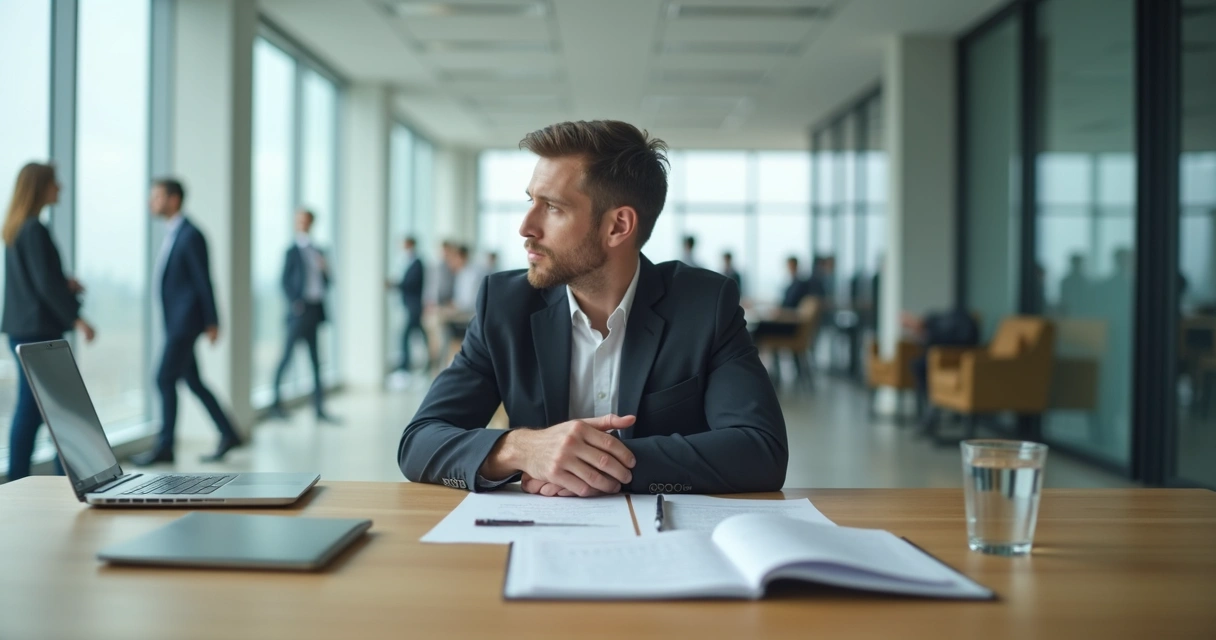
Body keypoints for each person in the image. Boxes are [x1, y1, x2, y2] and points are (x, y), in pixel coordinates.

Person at [399, 120, 787, 496]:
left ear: (618, 225)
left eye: (552, 207)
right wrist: (523, 450)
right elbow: (419, 442)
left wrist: (587, 464)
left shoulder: (705, 305)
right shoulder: (503, 304)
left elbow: (760, 452)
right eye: (530, 201)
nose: (525, 227)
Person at [133, 178, 242, 465]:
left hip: (185, 323)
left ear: (174, 199)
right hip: (177, 322)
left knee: (163, 377)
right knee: (192, 380)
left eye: (156, 197)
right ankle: (228, 432)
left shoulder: (191, 234)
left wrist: (213, 320)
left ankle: (165, 446)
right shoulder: (174, 233)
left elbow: (203, 280)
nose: (151, 203)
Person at [2, 162, 96, 480]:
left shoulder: (19, 227)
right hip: (38, 330)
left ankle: (61, 477)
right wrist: (77, 317)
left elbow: (38, 280)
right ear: (40, 187)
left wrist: (63, 283)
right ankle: (54, 479)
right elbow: (43, 284)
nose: (60, 188)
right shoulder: (33, 229)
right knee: (48, 408)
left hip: (23, 328)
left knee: (44, 408)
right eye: (55, 182)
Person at [268, 209, 336, 423]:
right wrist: (295, 303)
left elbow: (327, 283)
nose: (303, 224)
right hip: (299, 310)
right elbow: (284, 281)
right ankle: (275, 405)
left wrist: (325, 269)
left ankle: (318, 408)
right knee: (286, 357)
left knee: (316, 361)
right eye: (300, 221)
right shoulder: (291, 251)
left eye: (307, 221)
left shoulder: (319, 251)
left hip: (315, 310)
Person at [902, 307, 980, 425]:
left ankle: (930, 410)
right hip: (940, 358)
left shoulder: (951, 322)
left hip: (957, 359)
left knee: (921, 366)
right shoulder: (936, 321)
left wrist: (922, 333)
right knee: (918, 364)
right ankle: (929, 411)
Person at [394, 236, 426, 375]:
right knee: (420, 334)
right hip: (411, 305)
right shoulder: (410, 262)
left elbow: (412, 283)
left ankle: (405, 366)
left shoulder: (417, 263)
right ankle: (427, 362)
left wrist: (396, 284)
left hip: (415, 306)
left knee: (406, 335)